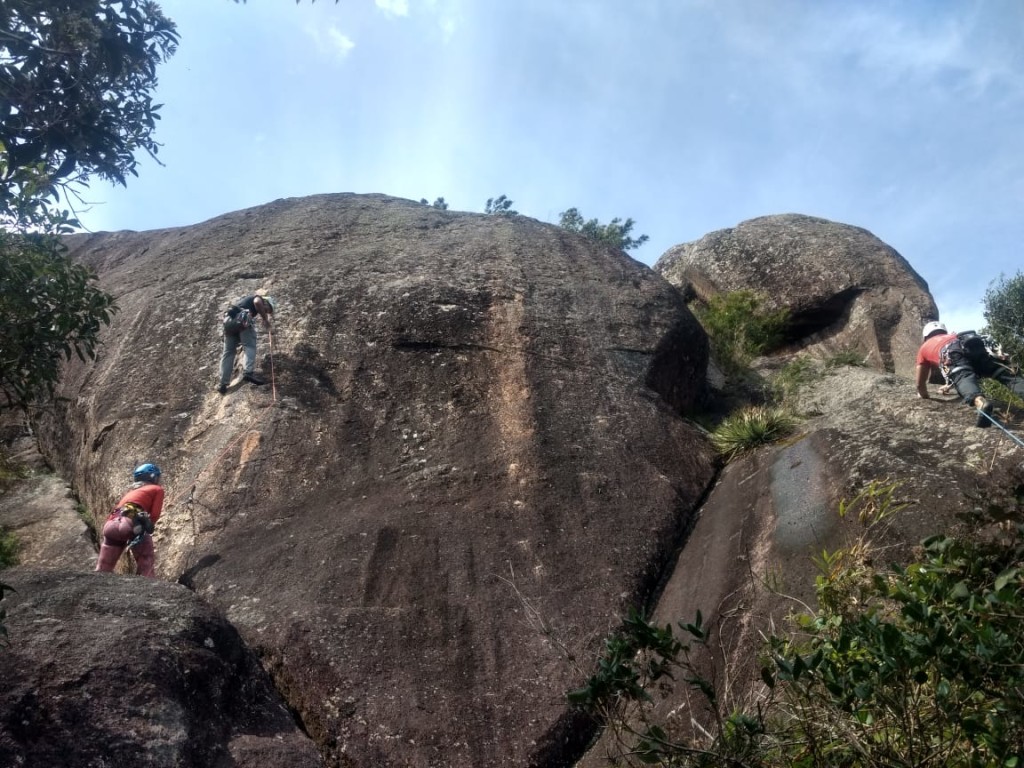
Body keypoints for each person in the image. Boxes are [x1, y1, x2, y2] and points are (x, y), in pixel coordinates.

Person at [916, 320, 1024, 427]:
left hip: (951, 352)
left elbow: (920, 384)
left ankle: (980, 402)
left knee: (963, 376)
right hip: (973, 345)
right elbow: (969, 365)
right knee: (1002, 373)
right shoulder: (953, 336)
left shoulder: (924, 347)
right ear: (944, 331)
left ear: (925, 337)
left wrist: (924, 395)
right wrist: (948, 385)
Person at [95, 463, 165, 577]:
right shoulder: (157, 489)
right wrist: (149, 525)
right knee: (146, 560)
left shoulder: (131, 492)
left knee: (103, 567)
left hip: (111, 525)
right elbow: (154, 514)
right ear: (153, 477)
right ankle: (148, 586)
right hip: (131, 523)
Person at [218, 294, 275, 394]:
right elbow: (257, 302)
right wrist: (265, 319)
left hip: (229, 322)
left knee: (228, 352)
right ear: (266, 302)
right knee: (249, 345)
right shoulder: (258, 298)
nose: (265, 312)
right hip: (242, 318)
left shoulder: (243, 302)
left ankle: (223, 383)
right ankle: (248, 372)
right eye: (267, 309)